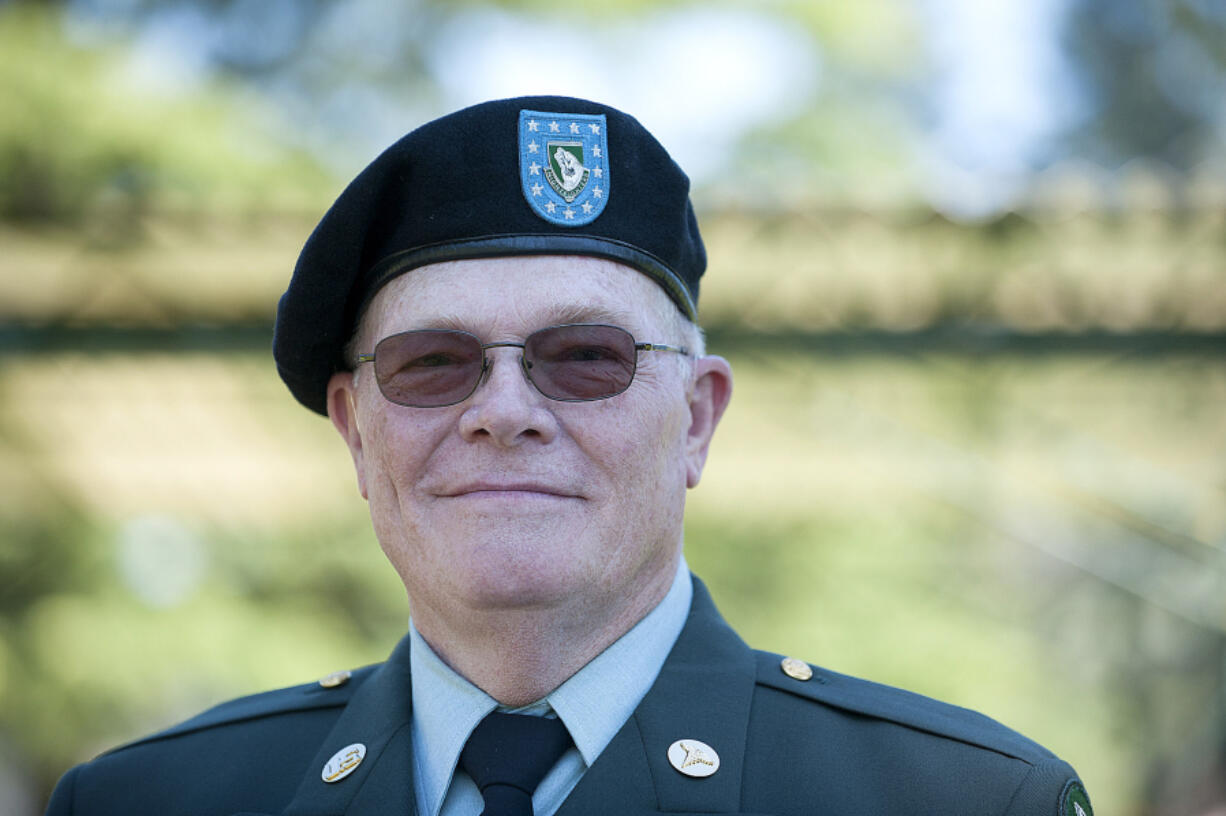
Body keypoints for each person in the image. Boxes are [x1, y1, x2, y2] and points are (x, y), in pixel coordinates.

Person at [45, 96, 1093, 816]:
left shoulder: (961, 799)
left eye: (583, 357)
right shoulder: (154, 800)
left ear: (695, 419)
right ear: (355, 431)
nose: (504, 411)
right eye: (432, 364)